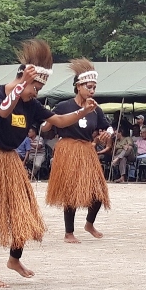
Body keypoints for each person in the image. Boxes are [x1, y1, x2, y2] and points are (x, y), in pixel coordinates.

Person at [0, 40, 98, 288]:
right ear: (23, 77)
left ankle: (14, 259)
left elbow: (58, 120)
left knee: (24, 211)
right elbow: (3, 111)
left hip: (8, 158)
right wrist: (22, 84)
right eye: (36, 86)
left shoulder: (32, 105)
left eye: (39, 87)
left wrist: (83, 113)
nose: (37, 92)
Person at [45, 58, 113, 243]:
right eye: (88, 87)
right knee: (71, 192)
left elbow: (108, 127)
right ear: (78, 86)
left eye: (94, 87)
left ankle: (89, 224)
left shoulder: (94, 108)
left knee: (98, 193)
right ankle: (69, 232)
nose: (92, 90)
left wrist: (107, 134)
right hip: (68, 150)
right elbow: (48, 128)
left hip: (86, 150)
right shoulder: (63, 106)